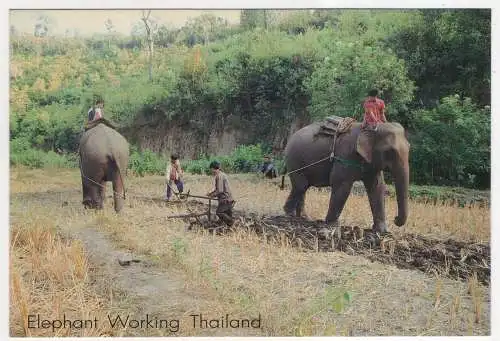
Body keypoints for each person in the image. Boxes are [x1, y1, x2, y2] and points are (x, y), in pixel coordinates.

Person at [206, 160, 235, 226]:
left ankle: (232, 222)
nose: (211, 171)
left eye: (211, 169)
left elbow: (220, 190)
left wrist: (212, 195)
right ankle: (230, 227)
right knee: (227, 215)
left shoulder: (219, 176)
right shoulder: (222, 175)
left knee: (219, 212)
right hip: (229, 198)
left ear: (213, 168)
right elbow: (218, 189)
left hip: (225, 199)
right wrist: (211, 193)